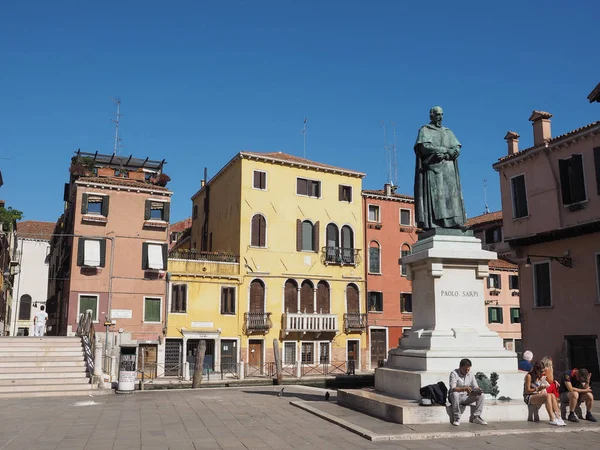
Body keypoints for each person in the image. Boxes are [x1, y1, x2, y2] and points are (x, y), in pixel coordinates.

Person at [414, 106, 467, 230]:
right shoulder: (425, 130)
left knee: (452, 195)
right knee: (437, 195)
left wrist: (446, 153)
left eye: (442, 114)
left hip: (448, 168)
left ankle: (455, 221)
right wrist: (442, 150)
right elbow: (424, 147)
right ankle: (435, 223)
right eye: (438, 114)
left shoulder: (448, 131)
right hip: (433, 167)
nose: (440, 117)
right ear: (431, 116)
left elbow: (457, 148)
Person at [523, 361, 565, 426]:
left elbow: (550, 381)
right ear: (536, 370)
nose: (542, 373)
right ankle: (552, 418)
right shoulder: (529, 376)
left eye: (543, 371)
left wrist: (551, 382)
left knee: (552, 395)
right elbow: (527, 390)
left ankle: (558, 416)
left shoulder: (541, 375)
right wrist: (537, 389)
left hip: (538, 394)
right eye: (541, 371)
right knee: (547, 396)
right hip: (529, 396)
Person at [448, 358, 487, 426]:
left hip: (466, 397)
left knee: (481, 395)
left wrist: (478, 390)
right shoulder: (454, 373)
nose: (466, 371)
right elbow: (453, 388)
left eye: (468, 369)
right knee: (455, 394)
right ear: (460, 367)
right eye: (464, 369)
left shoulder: (470, 374)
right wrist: (464, 389)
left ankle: (476, 417)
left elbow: (475, 386)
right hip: (455, 398)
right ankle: (456, 417)